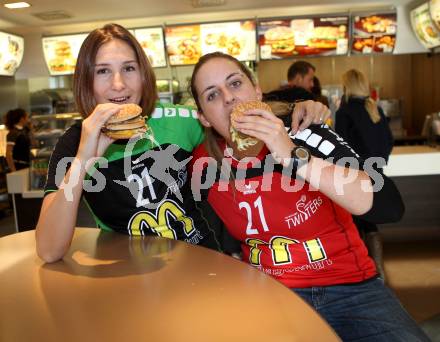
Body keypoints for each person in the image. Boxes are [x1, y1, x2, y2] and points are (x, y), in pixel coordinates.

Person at [35, 23, 329, 263]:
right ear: (85, 80)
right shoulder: (74, 142)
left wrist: (297, 108)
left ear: (144, 74)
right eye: (102, 71)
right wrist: (84, 160)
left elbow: (236, 119)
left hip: (207, 264)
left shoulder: (180, 119)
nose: (118, 84)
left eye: (128, 68)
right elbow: (49, 250)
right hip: (132, 281)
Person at [189, 52, 429, 341]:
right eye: (212, 95)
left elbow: (388, 206)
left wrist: (292, 155)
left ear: (257, 90)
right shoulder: (203, 164)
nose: (229, 98)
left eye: (236, 83)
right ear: (203, 116)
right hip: (271, 293)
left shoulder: (305, 131)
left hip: (351, 288)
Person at [335, 69, 394, 280]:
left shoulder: (345, 112)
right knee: (369, 221)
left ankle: (365, 269)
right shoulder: (374, 108)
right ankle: (378, 268)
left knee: (355, 220)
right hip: (376, 171)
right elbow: (389, 140)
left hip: (355, 172)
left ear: (346, 86)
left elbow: (339, 145)